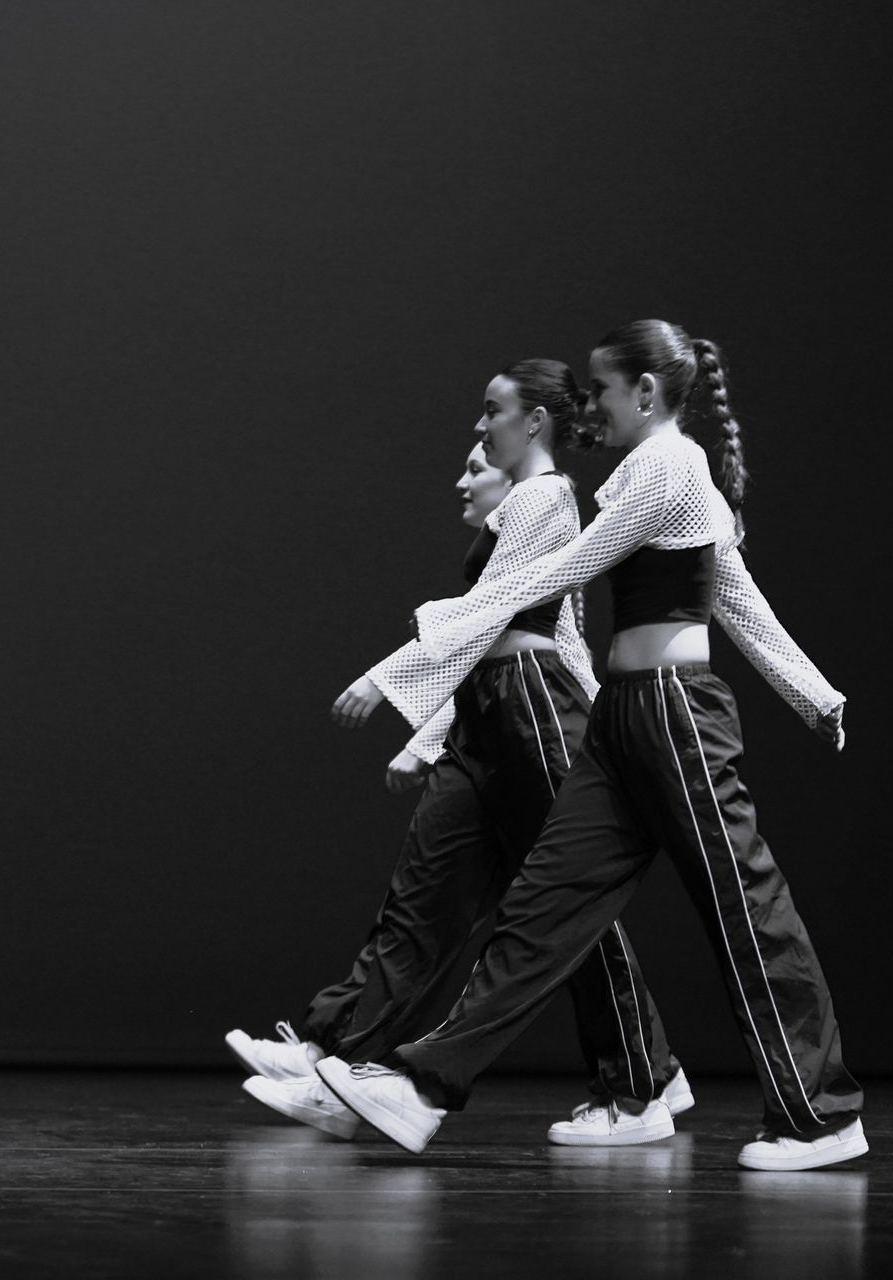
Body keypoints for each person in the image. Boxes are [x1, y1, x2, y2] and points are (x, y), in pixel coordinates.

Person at [315, 321, 864, 1172]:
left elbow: (572, 570)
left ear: (646, 394)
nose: (592, 408)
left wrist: (428, 635)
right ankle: (422, 1087)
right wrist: (818, 696)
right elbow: (735, 597)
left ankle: (820, 1115)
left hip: (678, 715)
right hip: (624, 721)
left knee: (743, 908)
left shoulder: (668, 466)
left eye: (604, 392)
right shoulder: (664, 472)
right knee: (543, 906)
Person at [234, 365, 685, 1148]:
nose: (481, 428)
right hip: (490, 707)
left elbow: (495, 612)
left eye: (493, 412)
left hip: (536, 706)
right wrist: (433, 735)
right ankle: (333, 1055)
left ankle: (643, 1075)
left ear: (536, 421)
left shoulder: (547, 498)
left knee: (562, 907)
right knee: (425, 894)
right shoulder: (523, 505)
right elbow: (487, 635)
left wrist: (388, 680)